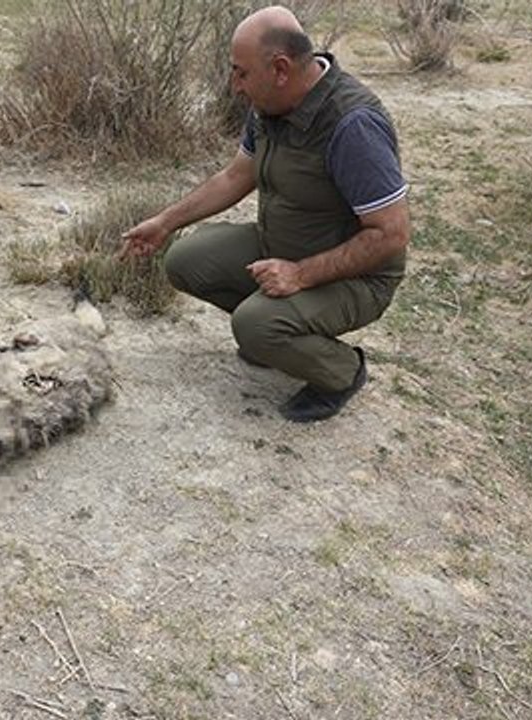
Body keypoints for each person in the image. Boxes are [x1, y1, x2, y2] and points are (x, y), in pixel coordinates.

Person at [122, 5, 410, 423]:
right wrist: (165, 223)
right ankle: (277, 336)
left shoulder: (352, 125)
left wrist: (300, 275)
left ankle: (341, 371)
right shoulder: (271, 104)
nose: (235, 85)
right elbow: (235, 176)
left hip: (356, 277)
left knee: (256, 325)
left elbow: (391, 235)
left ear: (280, 68)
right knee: (184, 261)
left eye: (241, 72)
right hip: (280, 245)